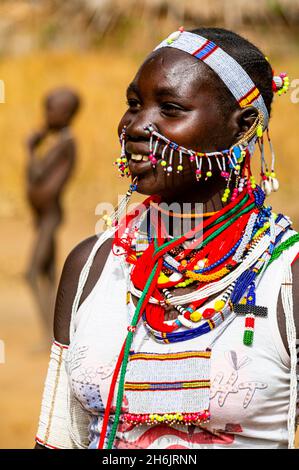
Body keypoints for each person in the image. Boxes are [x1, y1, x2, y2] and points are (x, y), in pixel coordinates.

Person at [35, 28, 299, 449]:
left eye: (171, 109)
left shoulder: (285, 275)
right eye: (134, 105)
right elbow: (58, 436)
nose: (137, 126)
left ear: (242, 126)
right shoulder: (93, 265)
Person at [25, 87, 80, 345]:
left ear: (66, 113)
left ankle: (52, 336)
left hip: (50, 217)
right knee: (47, 273)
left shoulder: (65, 145)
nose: (46, 115)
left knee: (33, 272)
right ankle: (54, 333)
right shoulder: (59, 144)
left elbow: (37, 176)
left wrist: (30, 149)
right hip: (44, 217)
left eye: (50, 109)